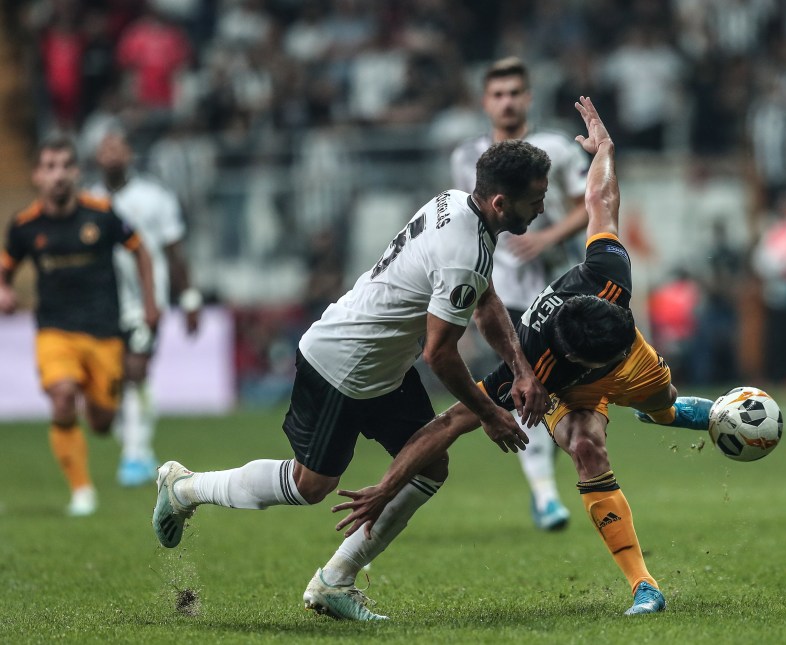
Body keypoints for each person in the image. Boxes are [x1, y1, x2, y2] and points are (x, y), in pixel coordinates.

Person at [332, 98, 713, 618]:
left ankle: (665, 410)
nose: (541, 208)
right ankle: (643, 584)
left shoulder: (608, 276)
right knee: (585, 446)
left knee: (666, 404)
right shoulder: (539, 361)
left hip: (633, 358)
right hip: (571, 392)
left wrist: (604, 151)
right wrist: (385, 487)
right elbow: (445, 426)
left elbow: (602, 201)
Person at [151, 139, 552, 620]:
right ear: (500, 203)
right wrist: (490, 414)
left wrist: (521, 370)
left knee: (431, 465)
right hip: (342, 364)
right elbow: (440, 355)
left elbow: (485, 302)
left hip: (384, 366)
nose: (543, 208)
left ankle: (333, 582)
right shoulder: (463, 252)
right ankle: (184, 488)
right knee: (310, 486)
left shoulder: (455, 206)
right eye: (536, 199)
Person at [451, 56, 589, 531]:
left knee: (564, 391)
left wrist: (546, 238)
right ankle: (547, 495)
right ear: (485, 102)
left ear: (528, 97)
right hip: (502, 292)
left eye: (515, 92)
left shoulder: (555, 147)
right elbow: (466, 227)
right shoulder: (465, 156)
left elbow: (585, 208)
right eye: (498, 94)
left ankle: (550, 483)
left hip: (558, 288)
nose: (507, 101)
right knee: (526, 386)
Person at [0, 135, 158, 516]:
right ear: (37, 176)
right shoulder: (24, 226)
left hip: (105, 332)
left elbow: (140, 251)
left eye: (64, 166)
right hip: (55, 332)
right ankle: (82, 491)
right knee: (62, 396)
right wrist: (3, 292)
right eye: (49, 167)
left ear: (76, 172)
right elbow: (5, 271)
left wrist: (151, 305)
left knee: (102, 422)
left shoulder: (102, 214)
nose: (58, 175)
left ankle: (96, 406)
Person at [89, 130, 202, 487]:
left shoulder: (154, 197)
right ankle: (135, 445)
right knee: (114, 378)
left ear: (129, 154)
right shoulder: (88, 201)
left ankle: (134, 455)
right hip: (102, 304)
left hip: (145, 301)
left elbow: (174, 251)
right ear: (96, 156)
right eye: (106, 147)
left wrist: (189, 298)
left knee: (136, 370)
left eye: (118, 146)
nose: (112, 153)